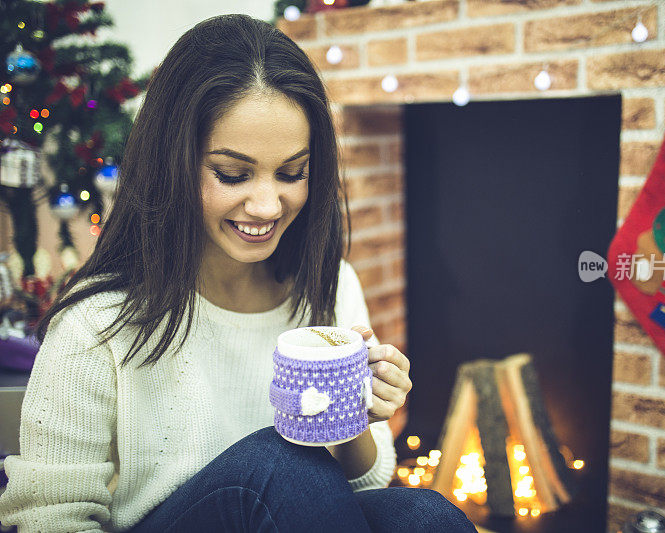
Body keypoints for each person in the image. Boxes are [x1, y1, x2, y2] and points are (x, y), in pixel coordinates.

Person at [0, 13, 477, 533]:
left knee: (424, 516)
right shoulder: (99, 321)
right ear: (172, 163)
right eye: (233, 174)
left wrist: (351, 421)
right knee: (280, 469)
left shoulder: (330, 284)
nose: (269, 205)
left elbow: (362, 484)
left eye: (293, 173)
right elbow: (50, 518)